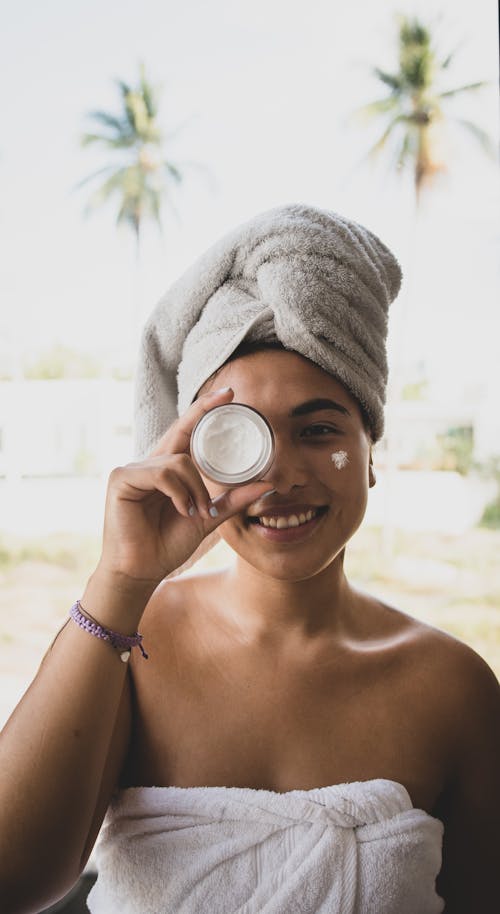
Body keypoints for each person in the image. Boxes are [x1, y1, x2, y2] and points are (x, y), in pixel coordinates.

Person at [0, 204, 498, 914]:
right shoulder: (123, 647)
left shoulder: (454, 690)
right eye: (238, 440)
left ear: (370, 455)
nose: (280, 476)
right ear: (191, 456)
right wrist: (118, 583)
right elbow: (11, 882)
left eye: (318, 428)